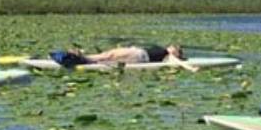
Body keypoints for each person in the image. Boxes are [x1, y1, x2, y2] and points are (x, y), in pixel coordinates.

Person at [60, 45, 199, 72]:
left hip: (139, 56)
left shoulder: (168, 56)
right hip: (136, 51)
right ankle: (82, 57)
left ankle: (81, 57)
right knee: (107, 55)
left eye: (177, 50)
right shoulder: (162, 49)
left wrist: (191, 68)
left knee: (108, 56)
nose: (174, 47)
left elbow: (177, 62)